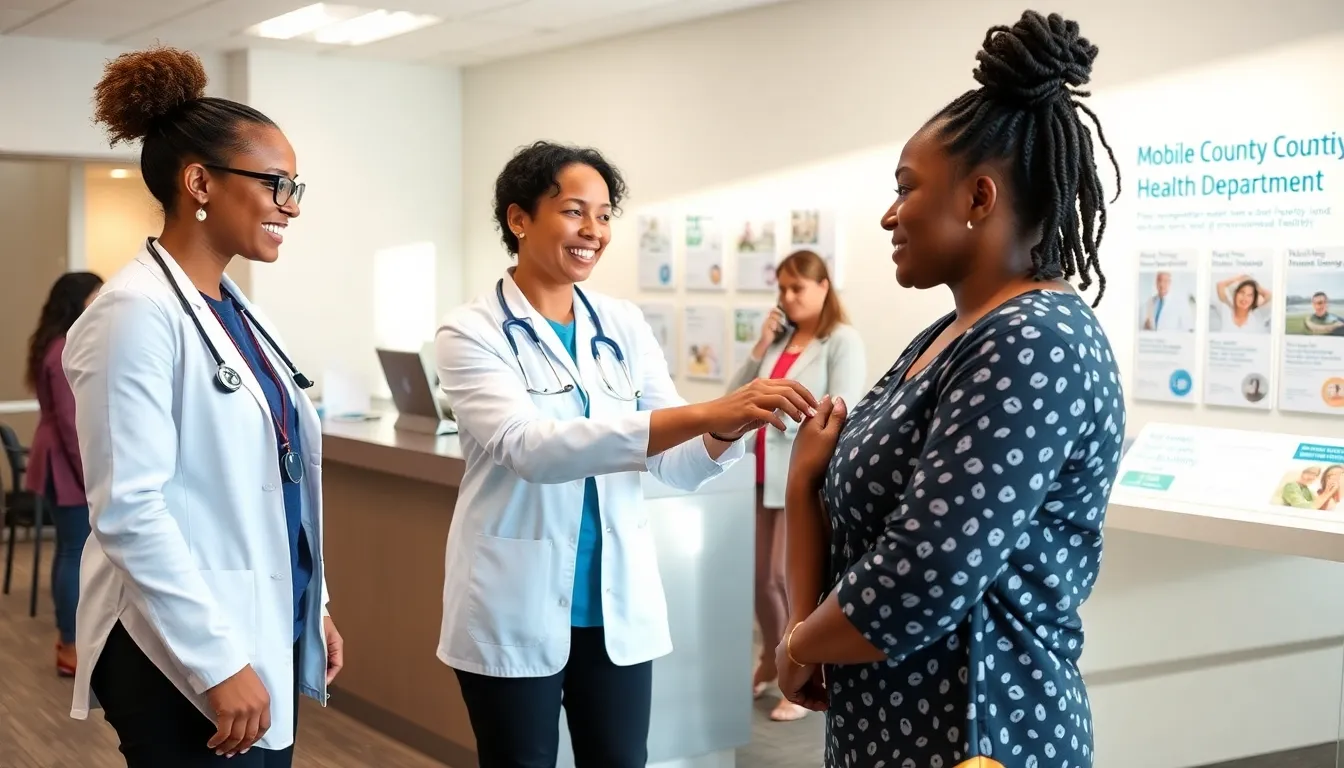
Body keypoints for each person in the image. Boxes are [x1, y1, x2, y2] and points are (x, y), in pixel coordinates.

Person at [775, 12, 1127, 768]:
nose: (889, 213)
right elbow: (852, 509)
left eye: (906, 188)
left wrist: (796, 647)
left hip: (979, 730)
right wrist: (807, 479)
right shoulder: (949, 334)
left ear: (978, 198)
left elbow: (922, 576)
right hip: (889, 725)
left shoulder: (1035, 342)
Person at [434, 140, 817, 768]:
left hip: (615, 612)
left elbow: (673, 462)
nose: (594, 230)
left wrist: (729, 427)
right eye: (574, 211)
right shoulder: (470, 330)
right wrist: (704, 411)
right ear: (519, 218)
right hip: (514, 603)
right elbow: (528, 448)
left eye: (606, 215)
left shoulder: (622, 324)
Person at [62, 45, 342, 766]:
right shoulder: (132, 312)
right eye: (278, 184)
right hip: (177, 646)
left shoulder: (235, 312)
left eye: (296, 188)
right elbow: (129, 508)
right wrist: (217, 661)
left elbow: (278, 480)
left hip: (251, 618)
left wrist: (315, 606)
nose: (291, 206)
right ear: (200, 182)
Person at [724, 249, 866, 722]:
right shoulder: (778, 340)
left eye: (796, 288)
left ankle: (800, 668)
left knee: (787, 579)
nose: (787, 297)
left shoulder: (840, 340)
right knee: (759, 577)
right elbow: (735, 398)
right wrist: (758, 346)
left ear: (823, 287)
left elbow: (841, 410)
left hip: (801, 477)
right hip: (760, 469)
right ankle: (770, 654)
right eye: (781, 288)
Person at [24, 270, 103, 677]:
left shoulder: (52, 345)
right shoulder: (64, 351)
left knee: (69, 550)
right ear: (77, 302)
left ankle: (68, 641)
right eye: (95, 296)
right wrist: (91, 472)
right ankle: (71, 647)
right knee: (74, 552)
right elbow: (74, 425)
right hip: (65, 463)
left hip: (54, 458)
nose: (100, 303)